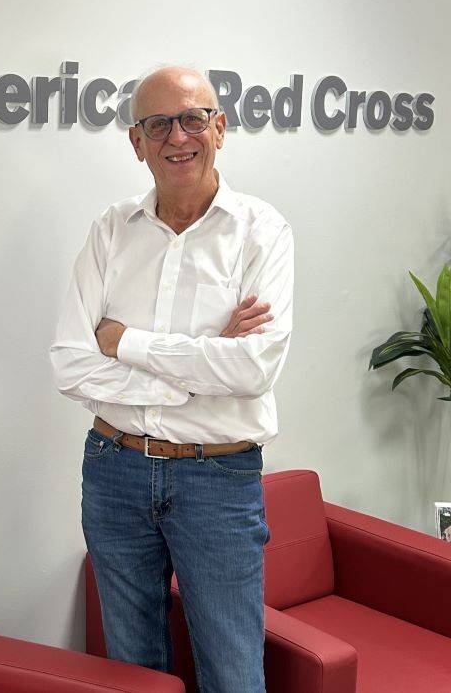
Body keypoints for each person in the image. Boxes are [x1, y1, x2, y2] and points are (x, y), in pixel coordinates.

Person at [49, 66, 295, 693]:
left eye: (193, 119)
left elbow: (255, 366)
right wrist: (199, 365)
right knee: (132, 671)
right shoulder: (111, 231)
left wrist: (127, 343)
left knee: (234, 672)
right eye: (158, 123)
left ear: (221, 127)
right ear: (136, 141)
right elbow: (72, 364)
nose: (177, 136)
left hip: (218, 477)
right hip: (114, 467)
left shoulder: (261, 231)